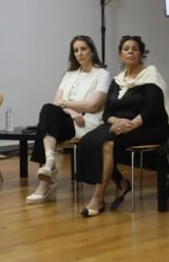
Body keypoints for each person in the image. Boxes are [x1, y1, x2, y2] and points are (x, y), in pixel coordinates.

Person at [75, 35, 169, 216]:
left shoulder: (151, 77)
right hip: (120, 124)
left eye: (135, 49)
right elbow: (106, 114)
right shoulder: (117, 81)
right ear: (120, 55)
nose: (130, 52)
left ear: (141, 54)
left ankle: (97, 199)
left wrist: (131, 125)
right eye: (126, 49)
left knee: (107, 144)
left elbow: (152, 110)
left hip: (149, 126)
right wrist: (116, 121)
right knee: (88, 140)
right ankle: (121, 182)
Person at [26, 35, 110, 204]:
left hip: (88, 121)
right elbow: (56, 102)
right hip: (71, 117)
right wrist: (71, 111)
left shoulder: (102, 74)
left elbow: (93, 105)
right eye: (76, 50)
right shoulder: (70, 74)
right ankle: (50, 160)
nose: (79, 53)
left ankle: (46, 183)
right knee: (48, 109)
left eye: (83, 49)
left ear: (92, 51)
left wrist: (66, 105)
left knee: (44, 127)